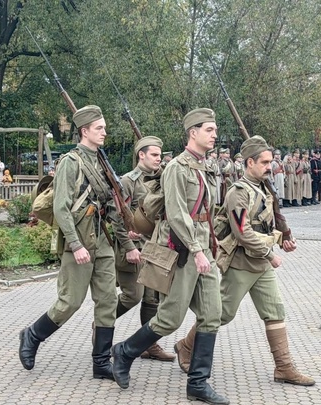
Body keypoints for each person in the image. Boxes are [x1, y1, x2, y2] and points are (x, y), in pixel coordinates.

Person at [173, 136, 315, 388]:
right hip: (241, 264)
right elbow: (242, 232)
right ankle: (186, 347)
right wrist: (270, 253)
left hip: (260, 264)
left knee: (275, 312)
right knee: (221, 314)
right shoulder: (238, 193)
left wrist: (282, 239)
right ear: (250, 163)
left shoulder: (262, 187)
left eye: (271, 162)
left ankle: (284, 367)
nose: (270, 166)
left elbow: (268, 223)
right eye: (265, 162)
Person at [111, 108, 229, 405]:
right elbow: (177, 214)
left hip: (203, 246)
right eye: (209, 130)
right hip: (181, 249)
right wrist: (198, 251)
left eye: (215, 130)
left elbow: (210, 212)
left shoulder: (207, 166)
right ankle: (124, 352)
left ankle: (198, 383)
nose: (215, 134)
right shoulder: (178, 167)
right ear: (193, 132)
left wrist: (210, 245)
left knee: (212, 314)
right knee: (170, 318)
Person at [18, 105, 118, 381]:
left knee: (108, 300)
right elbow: (61, 208)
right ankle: (32, 335)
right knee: (70, 301)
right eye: (99, 128)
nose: (104, 132)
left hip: (102, 240)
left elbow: (108, 202)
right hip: (80, 241)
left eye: (104, 127)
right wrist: (75, 244)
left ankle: (101, 363)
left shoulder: (101, 160)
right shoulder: (71, 162)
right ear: (85, 131)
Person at [112, 135, 175, 361]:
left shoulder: (163, 178)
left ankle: (150, 345)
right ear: (141, 155)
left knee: (152, 298)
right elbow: (117, 217)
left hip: (155, 244)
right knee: (132, 296)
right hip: (135, 246)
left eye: (160, 155)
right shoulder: (128, 181)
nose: (159, 159)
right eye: (155, 155)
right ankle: (102, 323)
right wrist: (128, 245)